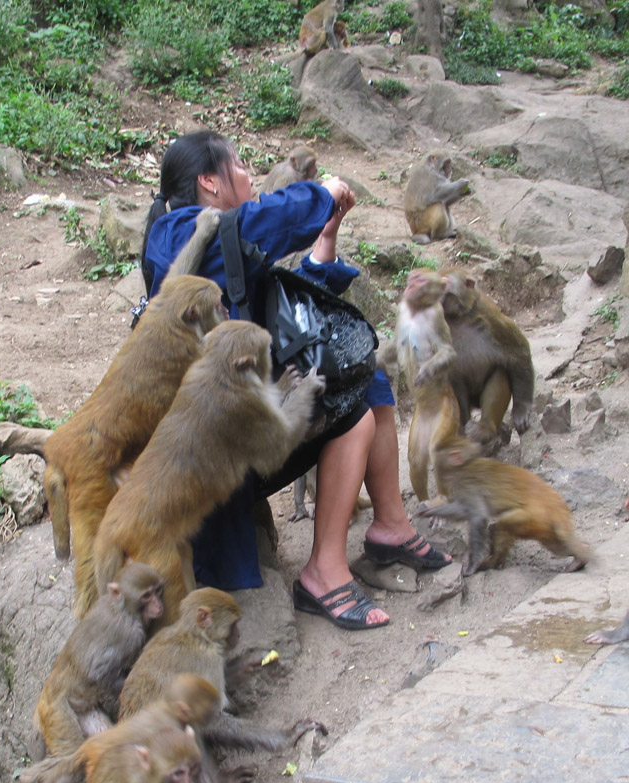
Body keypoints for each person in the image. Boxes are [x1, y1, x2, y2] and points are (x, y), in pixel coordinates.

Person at [142, 131, 450, 631]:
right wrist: (320, 192)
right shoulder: (178, 236)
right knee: (349, 416)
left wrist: (325, 239)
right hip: (211, 456)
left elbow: (292, 317)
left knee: (367, 378)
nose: (248, 175)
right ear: (208, 182)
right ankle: (322, 574)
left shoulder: (226, 245)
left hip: (246, 426)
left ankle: (390, 527)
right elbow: (267, 219)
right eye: (238, 164)